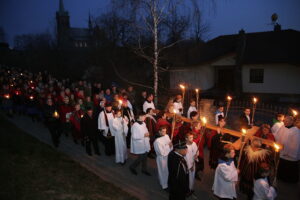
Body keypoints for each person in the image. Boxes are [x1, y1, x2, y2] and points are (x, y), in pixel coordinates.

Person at [275, 116, 300, 183]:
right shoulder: (283, 127)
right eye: (284, 121)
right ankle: (280, 177)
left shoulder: (296, 131)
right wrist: (278, 144)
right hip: (282, 150)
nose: (284, 122)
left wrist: (289, 152)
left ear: (292, 122)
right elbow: (278, 135)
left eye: (286, 121)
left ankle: (290, 181)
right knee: (282, 165)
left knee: (289, 168)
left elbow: (296, 144)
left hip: (290, 154)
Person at [153, 126, 172, 190]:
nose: (164, 133)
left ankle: (167, 182)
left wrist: (170, 145)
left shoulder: (166, 136)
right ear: (159, 131)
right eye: (163, 131)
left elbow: (170, 144)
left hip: (168, 157)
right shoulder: (157, 141)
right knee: (162, 171)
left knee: (167, 171)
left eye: (165, 131)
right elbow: (161, 152)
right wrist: (168, 146)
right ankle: (164, 185)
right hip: (162, 159)